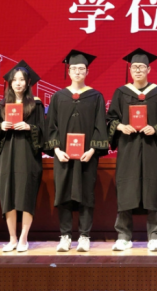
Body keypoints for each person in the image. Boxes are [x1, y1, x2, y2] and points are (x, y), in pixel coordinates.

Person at [106, 48, 157, 252]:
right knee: (127, 189)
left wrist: (156, 128)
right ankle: (123, 236)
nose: (137, 70)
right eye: (134, 67)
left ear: (149, 69)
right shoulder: (121, 93)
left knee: (152, 190)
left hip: (151, 147)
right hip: (128, 148)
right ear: (130, 69)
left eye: (141, 67)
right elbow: (110, 119)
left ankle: (154, 237)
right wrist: (120, 126)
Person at [44, 50, 109, 253]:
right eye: (74, 68)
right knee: (63, 194)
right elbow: (51, 125)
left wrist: (92, 150)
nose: (77, 72)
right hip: (63, 156)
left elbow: (100, 125)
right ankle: (65, 236)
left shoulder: (95, 96)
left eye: (81, 69)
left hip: (87, 156)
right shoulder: (58, 97)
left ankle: (84, 236)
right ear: (68, 71)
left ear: (87, 72)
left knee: (85, 195)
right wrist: (56, 149)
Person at [0, 60, 46, 253]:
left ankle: (24, 237)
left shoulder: (36, 105)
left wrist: (29, 127)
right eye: (15, 79)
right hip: (6, 155)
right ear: (10, 82)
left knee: (26, 195)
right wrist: (0, 126)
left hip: (27, 155)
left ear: (28, 82)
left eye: (22, 79)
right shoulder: (1, 106)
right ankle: (12, 238)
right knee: (8, 197)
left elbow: (44, 132)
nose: (18, 83)